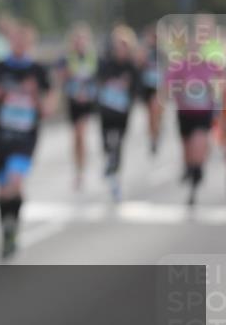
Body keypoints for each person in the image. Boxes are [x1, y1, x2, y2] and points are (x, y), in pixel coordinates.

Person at [0, 20, 53, 260]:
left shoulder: (38, 72)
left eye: (24, 41)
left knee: (14, 184)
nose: (19, 44)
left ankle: (11, 227)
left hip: (25, 139)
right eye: (16, 40)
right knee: (3, 191)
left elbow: (48, 109)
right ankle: (8, 228)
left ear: (31, 43)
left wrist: (35, 97)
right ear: (10, 42)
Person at [164, 19, 225, 207]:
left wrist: (213, 88)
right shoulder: (179, 65)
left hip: (203, 113)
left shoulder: (211, 65)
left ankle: (196, 177)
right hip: (184, 113)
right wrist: (180, 88)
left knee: (199, 144)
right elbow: (167, 86)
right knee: (188, 150)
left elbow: (222, 80)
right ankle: (191, 168)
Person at [95, 26, 140, 203]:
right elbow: (97, 82)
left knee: (119, 143)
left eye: (123, 46)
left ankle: (115, 176)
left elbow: (137, 89)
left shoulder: (132, 67)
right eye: (117, 46)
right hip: (107, 111)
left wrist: (127, 90)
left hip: (122, 112)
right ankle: (109, 164)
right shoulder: (106, 64)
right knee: (107, 143)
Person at [55, 23, 97, 190]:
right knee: (75, 137)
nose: (80, 43)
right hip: (73, 100)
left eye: (82, 40)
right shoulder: (66, 58)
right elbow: (59, 77)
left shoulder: (92, 57)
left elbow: (98, 78)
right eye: (77, 40)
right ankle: (78, 169)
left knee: (81, 133)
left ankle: (81, 170)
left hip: (87, 101)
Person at [138, 25, 165, 156]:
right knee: (150, 115)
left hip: (158, 87)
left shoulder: (163, 52)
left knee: (156, 111)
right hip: (147, 87)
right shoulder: (145, 51)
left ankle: (156, 134)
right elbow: (139, 66)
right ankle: (153, 136)